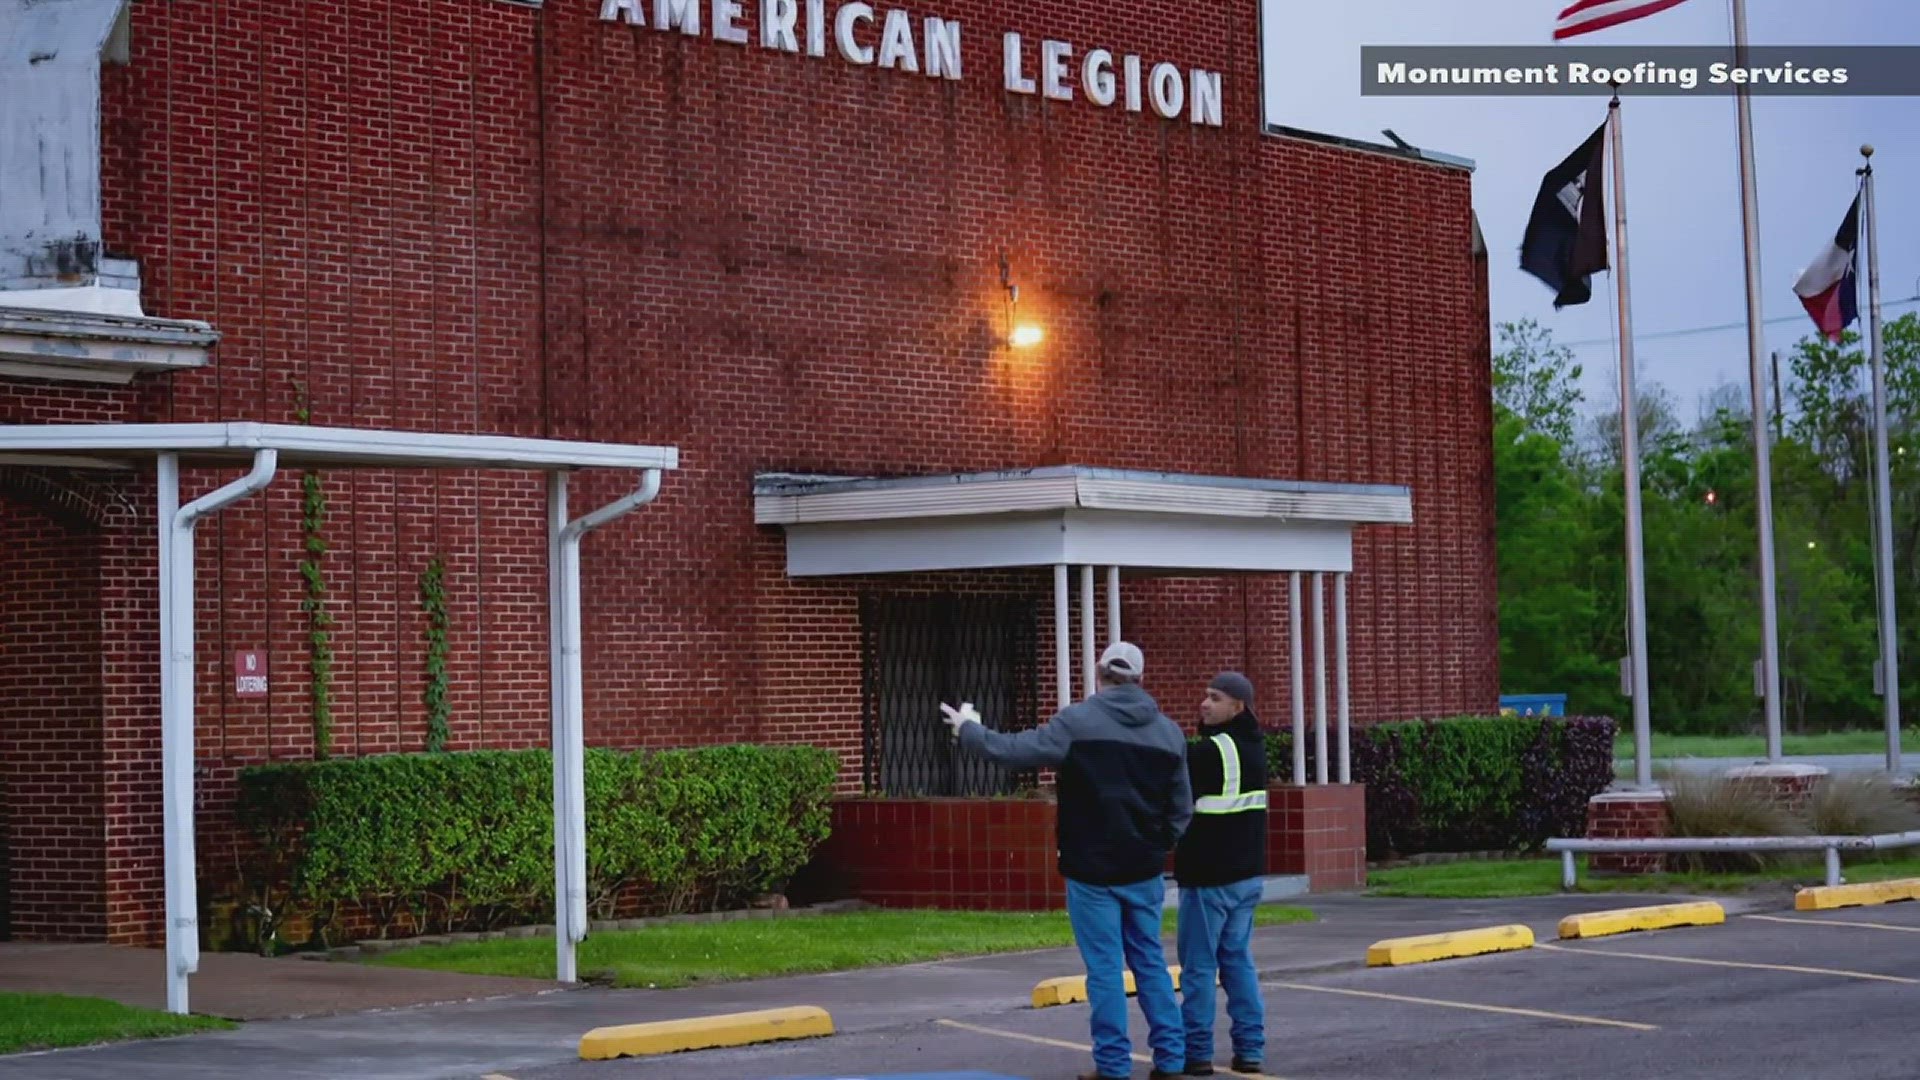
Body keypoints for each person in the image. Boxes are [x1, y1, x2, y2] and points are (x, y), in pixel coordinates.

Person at [941, 641, 1192, 1080]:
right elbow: (1181, 809)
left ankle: (1113, 1067)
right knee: (1150, 962)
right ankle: (1171, 1060)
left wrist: (969, 729)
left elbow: (1015, 750)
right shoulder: (1169, 733)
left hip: (1090, 868)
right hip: (1144, 867)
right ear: (1139, 677)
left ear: (1100, 673)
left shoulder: (1078, 722)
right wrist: (1156, 845)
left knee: (1104, 970)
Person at [1172, 672, 1270, 1077]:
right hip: (1246, 876)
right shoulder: (1256, 747)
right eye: (1205, 695)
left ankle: (1196, 1054)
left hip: (1209, 878)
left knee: (1198, 968)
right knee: (1238, 963)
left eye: (1214, 698)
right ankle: (1250, 1051)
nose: (1204, 703)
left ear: (1237, 706)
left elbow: (1172, 788)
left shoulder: (1212, 751)